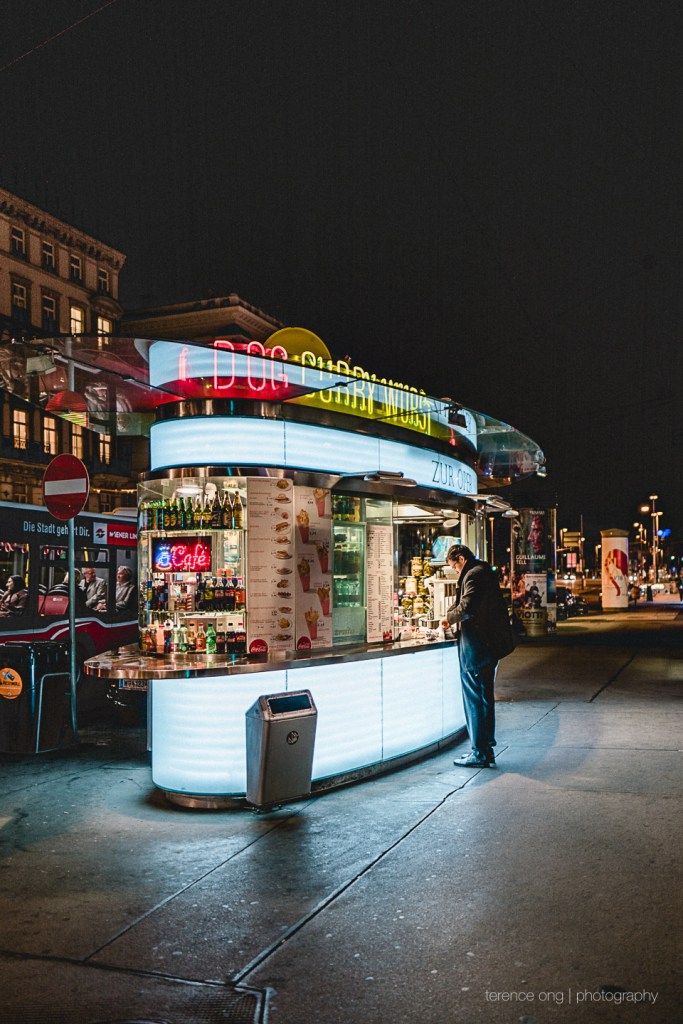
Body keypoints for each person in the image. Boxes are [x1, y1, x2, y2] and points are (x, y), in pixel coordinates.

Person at [441, 545, 515, 768]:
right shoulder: (482, 570)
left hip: (477, 649)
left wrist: (448, 618)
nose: (454, 571)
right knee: (484, 697)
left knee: (475, 699)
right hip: (487, 647)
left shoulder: (473, 574)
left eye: (454, 566)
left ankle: (479, 752)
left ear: (461, 559)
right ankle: (485, 748)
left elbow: (467, 606)